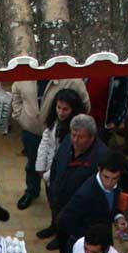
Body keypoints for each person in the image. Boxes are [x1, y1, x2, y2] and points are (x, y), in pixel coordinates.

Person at [11, 79, 91, 211]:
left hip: (61, 135)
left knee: (61, 170)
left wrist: (71, 128)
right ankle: (31, 191)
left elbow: (84, 105)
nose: (60, 111)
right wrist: (19, 116)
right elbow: (16, 93)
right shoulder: (26, 71)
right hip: (32, 131)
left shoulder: (72, 80)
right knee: (32, 164)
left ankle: (58, 201)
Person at [48, 115, 108, 253]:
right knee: (62, 236)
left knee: (76, 246)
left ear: (91, 137)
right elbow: (56, 164)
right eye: (73, 135)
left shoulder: (101, 156)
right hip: (60, 203)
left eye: (80, 137)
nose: (75, 140)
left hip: (81, 214)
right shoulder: (67, 140)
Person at [56, 151, 128, 253]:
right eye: (106, 177)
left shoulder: (116, 186)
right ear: (99, 169)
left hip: (104, 241)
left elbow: (111, 207)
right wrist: (90, 240)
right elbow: (65, 220)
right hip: (89, 247)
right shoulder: (85, 194)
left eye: (114, 178)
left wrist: (119, 217)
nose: (110, 183)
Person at [35, 88, 86, 243]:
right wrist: (40, 165)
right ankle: (53, 226)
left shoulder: (76, 131)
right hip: (49, 172)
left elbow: (65, 161)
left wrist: (47, 174)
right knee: (53, 204)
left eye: (65, 109)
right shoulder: (55, 122)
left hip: (62, 177)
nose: (61, 112)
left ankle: (60, 236)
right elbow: (46, 140)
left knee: (63, 208)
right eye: (58, 108)